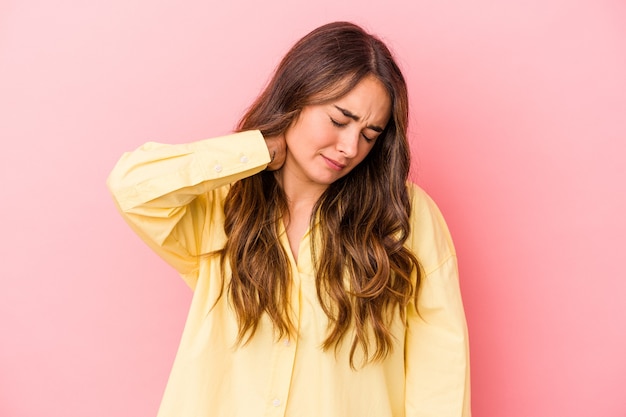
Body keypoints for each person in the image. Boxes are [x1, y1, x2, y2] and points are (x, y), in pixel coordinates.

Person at [108, 21, 471, 417]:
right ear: (296, 97)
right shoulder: (224, 204)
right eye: (338, 120)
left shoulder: (404, 218)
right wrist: (258, 148)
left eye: (369, 135)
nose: (349, 147)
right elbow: (132, 187)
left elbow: (441, 376)